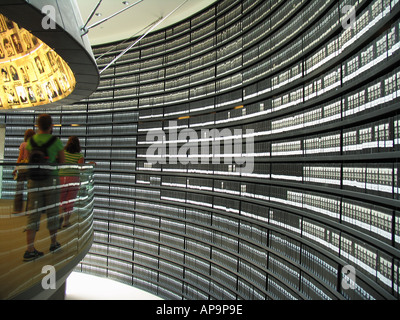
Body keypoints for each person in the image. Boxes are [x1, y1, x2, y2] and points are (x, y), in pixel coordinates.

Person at [23, 114, 65, 262]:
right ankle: (53, 243)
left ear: (38, 125)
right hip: (51, 179)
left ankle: (30, 249)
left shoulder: (31, 140)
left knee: (33, 214)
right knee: (52, 212)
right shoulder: (56, 141)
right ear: (51, 126)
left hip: (34, 181)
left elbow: (28, 159)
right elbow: (62, 161)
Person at [59, 136, 84, 228]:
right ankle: (66, 221)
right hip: (73, 178)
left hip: (62, 177)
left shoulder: (63, 153)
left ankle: (59, 217)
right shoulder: (79, 155)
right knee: (70, 201)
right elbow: (81, 167)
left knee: (61, 200)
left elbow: (59, 162)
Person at [12, 129, 35, 214]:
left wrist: (15, 169)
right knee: (30, 190)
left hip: (22, 169)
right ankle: (29, 209)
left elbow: (20, 157)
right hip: (31, 169)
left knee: (19, 189)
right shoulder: (34, 145)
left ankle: (18, 209)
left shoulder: (23, 144)